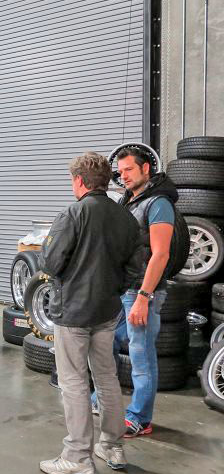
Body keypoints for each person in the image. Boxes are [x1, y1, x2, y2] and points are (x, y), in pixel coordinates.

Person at [38, 152, 142, 474]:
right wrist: (112, 290)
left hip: (73, 312)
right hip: (107, 310)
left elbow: (50, 263)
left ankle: (78, 457)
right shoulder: (126, 217)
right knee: (107, 377)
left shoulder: (73, 213)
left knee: (73, 382)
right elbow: (135, 269)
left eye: (72, 180)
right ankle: (112, 445)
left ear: (80, 181)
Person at [90, 146, 177, 438]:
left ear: (145, 169)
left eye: (129, 170)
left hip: (141, 293)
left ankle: (140, 417)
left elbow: (160, 254)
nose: (123, 176)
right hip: (122, 289)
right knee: (106, 344)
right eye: (121, 171)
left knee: (141, 356)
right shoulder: (129, 200)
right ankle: (102, 399)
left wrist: (143, 296)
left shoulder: (159, 203)